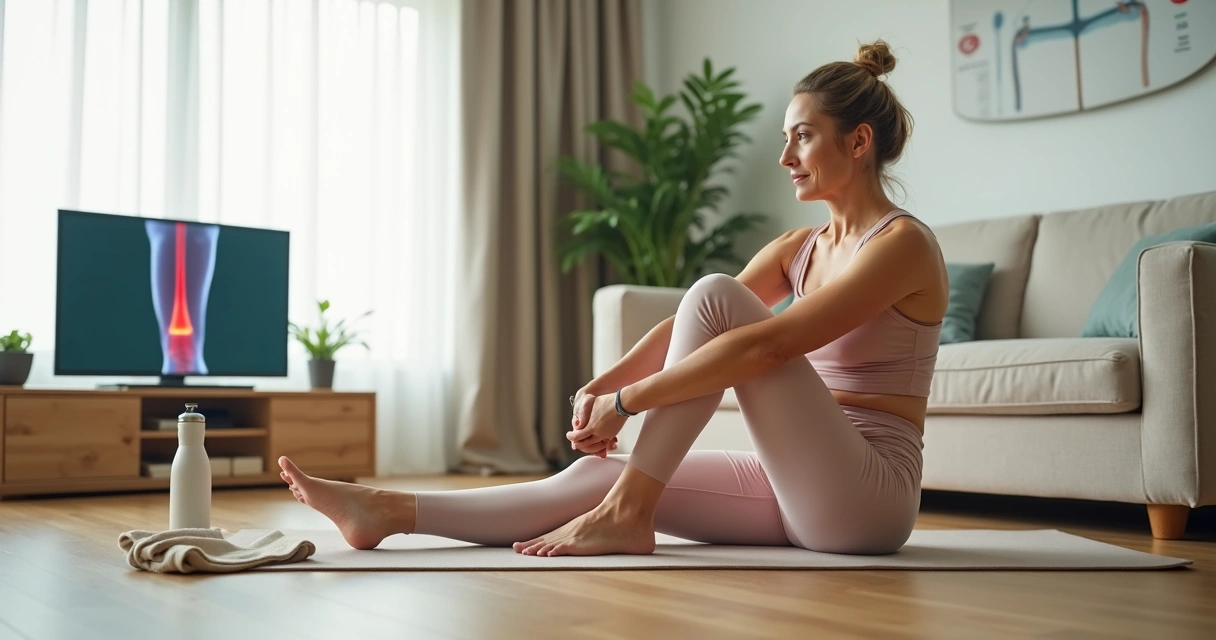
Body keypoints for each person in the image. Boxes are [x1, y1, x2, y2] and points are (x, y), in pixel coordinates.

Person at [278, 39, 948, 557]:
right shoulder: (799, 247)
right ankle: (388, 511)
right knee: (597, 477)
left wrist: (629, 402)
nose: (786, 156)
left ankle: (630, 515)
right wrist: (601, 384)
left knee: (716, 296)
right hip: (799, 480)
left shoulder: (902, 245)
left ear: (857, 142)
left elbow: (766, 341)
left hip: (866, 498)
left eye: (801, 135)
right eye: (786, 138)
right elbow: (690, 322)